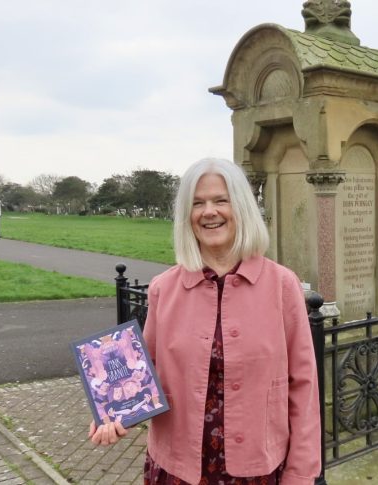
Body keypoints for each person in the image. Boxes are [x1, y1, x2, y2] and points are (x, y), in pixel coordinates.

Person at [89, 158, 321, 485]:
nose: (209, 211)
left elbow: (304, 384)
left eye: (220, 200)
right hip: (178, 471)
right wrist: (110, 412)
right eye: (197, 203)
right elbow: (142, 373)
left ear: (241, 207)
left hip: (258, 471)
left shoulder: (282, 286)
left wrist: (300, 473)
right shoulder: (163, 289)